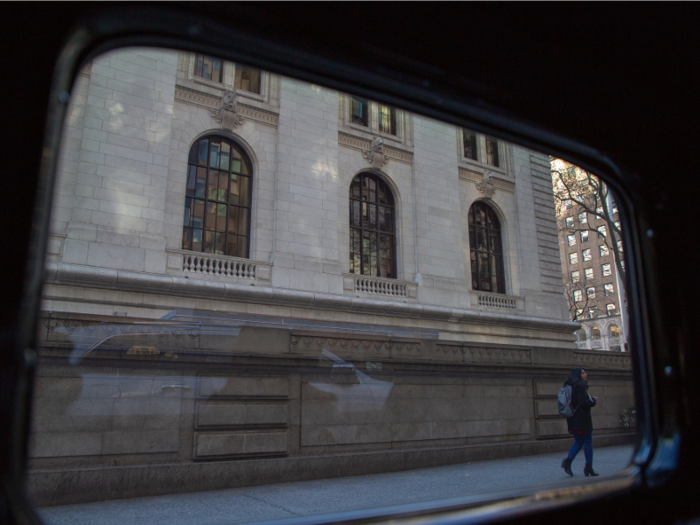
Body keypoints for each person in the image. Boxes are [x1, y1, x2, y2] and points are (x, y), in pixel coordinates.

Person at [561, 367, 599, 476]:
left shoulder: (569, 385)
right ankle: (588, 467)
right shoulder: (580, 386)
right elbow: (583, 402)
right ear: (578, 375)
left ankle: (568, 462)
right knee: (587, 441)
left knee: (578, 441)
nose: (586, 374)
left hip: (572, 418)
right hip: (583, 419)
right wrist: (593, 401)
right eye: (583, 373)